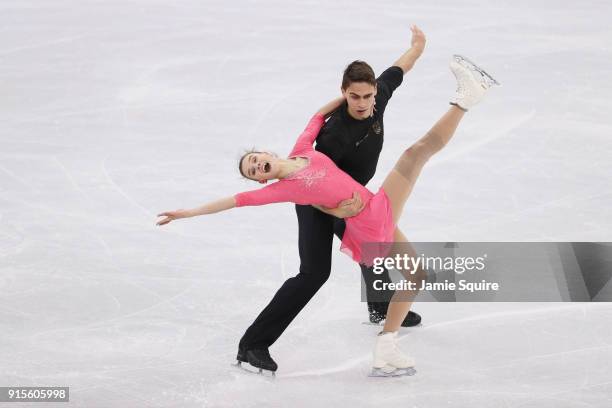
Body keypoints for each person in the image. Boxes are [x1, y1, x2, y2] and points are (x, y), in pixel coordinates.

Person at [157, 54, 498, 376]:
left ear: (266, 151)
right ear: (262, 178)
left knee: (409, 265)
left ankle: (384, 316)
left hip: (364, 212)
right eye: (254, 171)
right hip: (352, 212)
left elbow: (316, 116)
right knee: (316, 271)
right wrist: (187, 213)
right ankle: (252, 345)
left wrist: (361, 90)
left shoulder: (305, 147)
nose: (257, 165)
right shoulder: (283, 185)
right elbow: (235, 200)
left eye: (255, 159)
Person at [231, 25, 429, 375]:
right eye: (355, 97)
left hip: (351, 198)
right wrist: (336, 210)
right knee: (314, 273)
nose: (364, 104)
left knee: (373, 240)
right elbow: (312, 183)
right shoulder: (334, 135)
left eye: (368, 96)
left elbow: (399, 70)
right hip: (316, 203)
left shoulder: (376, 95)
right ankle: (253, 345)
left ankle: (381, 306)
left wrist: (417, 46)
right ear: (344, 93)